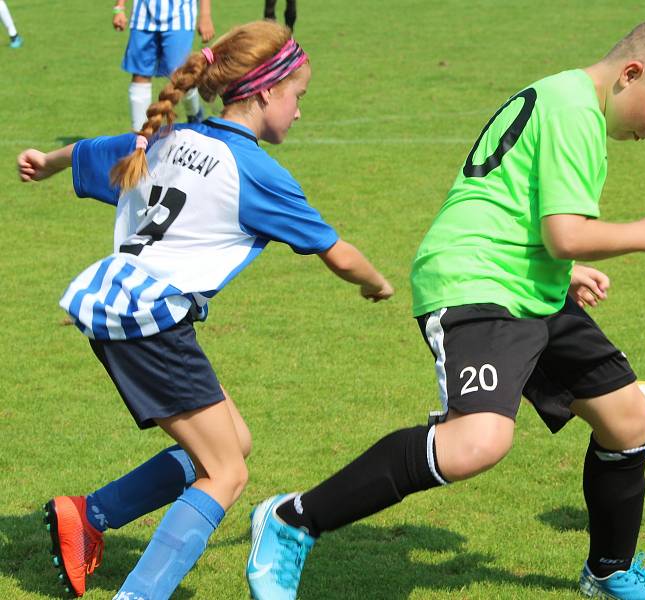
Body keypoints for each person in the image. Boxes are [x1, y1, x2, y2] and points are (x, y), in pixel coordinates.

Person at [247, 16, 645, 600]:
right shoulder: (576, 113)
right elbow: (564, 233)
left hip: (524, 282)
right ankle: (293, 520)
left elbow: (519, 207)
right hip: (475, 283)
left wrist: (563, 274)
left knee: (627, 418)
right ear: (631, 74)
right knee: (478, 442)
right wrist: (644, 232)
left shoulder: (567, 96)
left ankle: (610, 570)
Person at [18, 19, 393, 599]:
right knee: (229, 472)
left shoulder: (167, 138)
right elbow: (339, 255)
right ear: (266, 91)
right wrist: (377, 285)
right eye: (297, 97)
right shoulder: (255, 170)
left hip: (119, 305)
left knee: (229, 444)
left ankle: (89, 516)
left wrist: (48, 162)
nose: (298, 112)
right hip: (152, 324)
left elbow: (93, 150)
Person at [113, 0, 215, 132]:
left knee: (180, 76)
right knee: (140, 75)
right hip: (143, 16)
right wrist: (119, 8)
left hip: (180, 16)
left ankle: (195, 115)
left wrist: (205, 15)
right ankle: (140, 136)